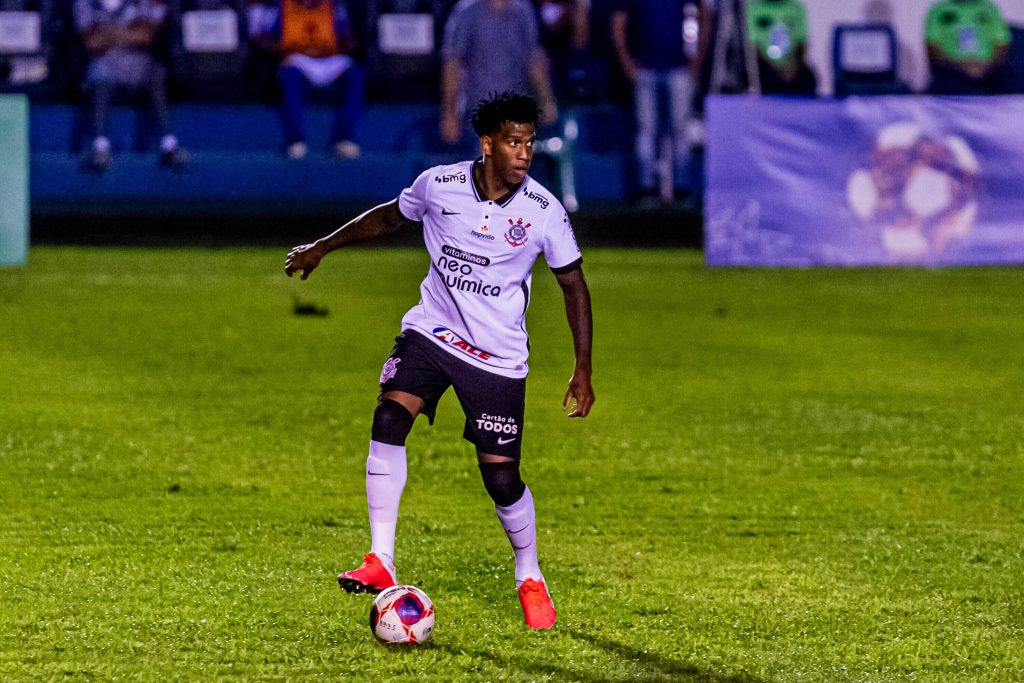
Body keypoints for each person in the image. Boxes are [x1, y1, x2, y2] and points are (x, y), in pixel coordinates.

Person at [284, 91, 594, 630]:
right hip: (432, 332)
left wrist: (582, 368)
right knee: (388, 418)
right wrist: (321, 247)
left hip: (497, 357)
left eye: (530, 143)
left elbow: (574, 287)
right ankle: (381, 559)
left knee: (501, 479)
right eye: (514, 143)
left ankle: (529, 575)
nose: (524, 153)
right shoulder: (440, 184)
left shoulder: (544, 212)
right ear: (489, 143)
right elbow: (387, 219)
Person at [73, 0, 189, 172]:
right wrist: (128, 33)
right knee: (98, 76)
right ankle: (100, 148)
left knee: (157, 73)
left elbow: (147, 35)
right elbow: (90, 42)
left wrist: (108, 34)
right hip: (104, 62)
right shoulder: (85, 3)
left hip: (137, 62)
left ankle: (169, 145)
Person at [611, 0, 710, 202]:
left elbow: (704, 14)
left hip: (679, 67)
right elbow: (618, 21)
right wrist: (626, 62)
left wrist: (698, 57)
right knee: (646, 129)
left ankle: (682, 187)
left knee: (680, 129)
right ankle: (646, 187)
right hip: (645, 67)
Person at [440, 0, 558, 154]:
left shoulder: (523, 11)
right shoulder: (466, 11)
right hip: (478, 113)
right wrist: (449, 112)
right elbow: (452, 62)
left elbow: (533, 59)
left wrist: (546, 99)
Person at [259, 0, 366, 160]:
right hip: (299, 59)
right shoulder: (283, 6)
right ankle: (295, 140)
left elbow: (348, 38)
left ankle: (344, 139)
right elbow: (263, 39)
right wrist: (289, 48)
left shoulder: (333, 6)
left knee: (355, 74)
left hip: (329, 59)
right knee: (290, 75)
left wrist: (334, 48)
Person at [925, 0, 1010, 95]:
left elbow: (1002, 45)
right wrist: (961, 66)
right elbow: (932, 48)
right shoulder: (939, 10)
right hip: (951, 71)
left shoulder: (990, 9)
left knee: (1002, 79)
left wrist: (985, 67)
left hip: (988, 72)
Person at [744, 0, 817, 95]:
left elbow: (801, 42)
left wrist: (791, 67)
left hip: (793, 67)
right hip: (764, 67)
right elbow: (752, 46)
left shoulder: (797, 8)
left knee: (808, 79)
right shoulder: (753, 9)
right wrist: (774, 68)